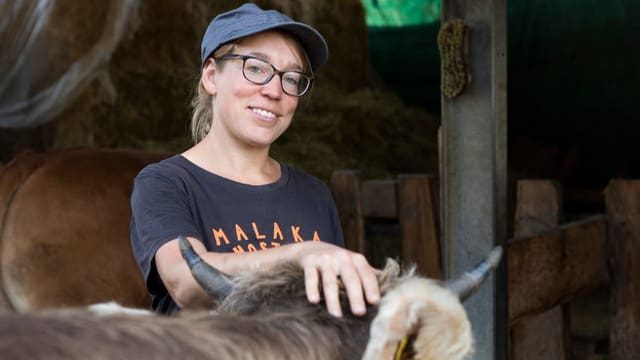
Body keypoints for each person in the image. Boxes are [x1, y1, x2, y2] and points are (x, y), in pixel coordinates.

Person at [130, 3, 380, 317]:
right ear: (211, 76)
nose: (275, 90)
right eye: (256, 68)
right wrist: (300, 255)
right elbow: (185, 282)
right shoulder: (166, 183)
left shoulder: (314, 194)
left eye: (291, 78)